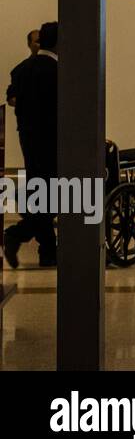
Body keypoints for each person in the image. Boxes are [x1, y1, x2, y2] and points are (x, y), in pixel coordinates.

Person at [3, 23, 58, 268]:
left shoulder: (22, 70)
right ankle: (18, 234)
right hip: (53, 140)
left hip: (29, 139)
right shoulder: (59, 71)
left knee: (42, 193)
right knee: (58, 196)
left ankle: (47, 251)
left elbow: (13, 99)